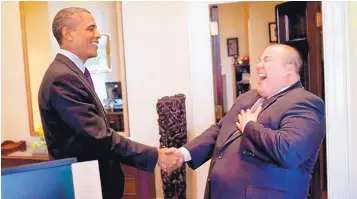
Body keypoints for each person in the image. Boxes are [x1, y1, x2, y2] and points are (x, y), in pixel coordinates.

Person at [38, 7, 176, 199]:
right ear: (68, 33)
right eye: (91, 28)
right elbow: (98, 137)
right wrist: (155, 155)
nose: (98, 35)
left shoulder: (72, 73)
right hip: (83, 187)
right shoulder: (62, 77)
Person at [163, 44, 326, 199]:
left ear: (289, 68)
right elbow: (219, 131)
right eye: (259, 60)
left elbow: (288, 152)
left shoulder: (306, 103)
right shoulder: (247, 97)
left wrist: (250, 127)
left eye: (267, 60)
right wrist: (183, 154)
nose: (258, 66)